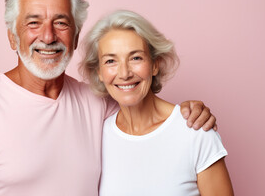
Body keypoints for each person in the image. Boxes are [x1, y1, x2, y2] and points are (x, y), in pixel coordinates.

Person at [0, 0, 217, 196]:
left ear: (76, 36)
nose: (48, 36)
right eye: (33, 23)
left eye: (61, 22)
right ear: (12, 37)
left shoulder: (98, 103)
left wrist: (188, 111)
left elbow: (146, 119)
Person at [80, 10, 234, 195]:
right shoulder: (98, 137)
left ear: (154, 64)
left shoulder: (194, 130)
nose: (124, 73)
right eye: (111, 61)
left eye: (136, 58)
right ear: (99, 72)